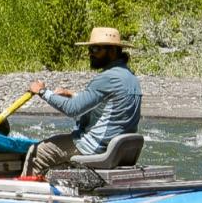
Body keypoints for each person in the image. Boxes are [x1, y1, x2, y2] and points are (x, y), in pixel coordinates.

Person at [24, 25, 143, 175]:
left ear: (113, 51)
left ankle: (26, 188)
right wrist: (72, 94)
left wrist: (42, 91)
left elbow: (72, 109)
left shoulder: (107, 78)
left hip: (94, 148)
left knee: (38, 152)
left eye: (96, 49)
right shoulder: (130, 77)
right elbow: (106, 104)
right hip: (117, 150)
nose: (90, 53)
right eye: (90, 49)